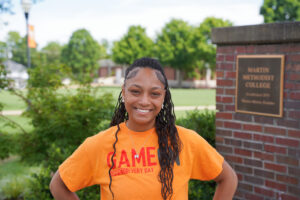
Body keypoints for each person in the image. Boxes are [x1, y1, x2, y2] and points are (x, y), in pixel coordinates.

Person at [50, 57, 238, 200]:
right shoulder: (100, 144)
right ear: (123, 92)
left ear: (164, 97)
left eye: (154, 93)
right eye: (135, 91)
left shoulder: (185, 140)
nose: (144, 101)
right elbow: (59, 184)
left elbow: (228, 178)